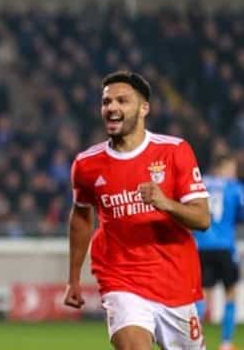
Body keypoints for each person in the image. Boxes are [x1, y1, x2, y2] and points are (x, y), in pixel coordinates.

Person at [64, 71, 211, 350]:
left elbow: (202, 219)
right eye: (106, 102)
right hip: (121, 278)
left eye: (122, 101)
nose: (112, 108)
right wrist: (73, 278)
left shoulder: (174, 151)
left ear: (144, 108)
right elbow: (81, 219)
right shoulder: (86, 164)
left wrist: (165, 203)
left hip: (175, 282)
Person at [193, 154, 244, 350]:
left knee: (202, 294)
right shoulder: (234, 188)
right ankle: (226, 342)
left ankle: (195, 341)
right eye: (231, 169)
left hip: (202, 246)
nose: (233, 173)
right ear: (222, 168)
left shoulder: (201, 184)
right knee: (230, 293)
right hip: (224, 247)